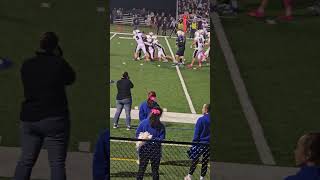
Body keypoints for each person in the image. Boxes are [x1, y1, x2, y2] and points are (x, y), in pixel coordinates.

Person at [14, 32, 75, 180]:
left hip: (29, 118)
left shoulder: (27, 64)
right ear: (55, 46)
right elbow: (70, 78)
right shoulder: (58, 63)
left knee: (25, 161)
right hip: (54, 118)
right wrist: (58, 58)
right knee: (57, 164)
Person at [136, 107, 166, 180]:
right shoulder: (161, 126)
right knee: (155, 171)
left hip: (144, 150)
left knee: (141, 170)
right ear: (160, 115)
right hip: (155, 151)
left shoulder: (143, 122)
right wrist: (152, 139)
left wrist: (147, 138)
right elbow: (161, 139)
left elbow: (137, 134)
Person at [185, 104, 210, 180]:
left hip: (200, 144)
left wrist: (193, 144)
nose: (202, 110)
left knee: (195, 159)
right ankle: (202, 178)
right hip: (209, 145)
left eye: (203, 108)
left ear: (206, 110)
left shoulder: (201, 119)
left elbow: (197, 134)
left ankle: (189, 176)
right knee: (205, 161)